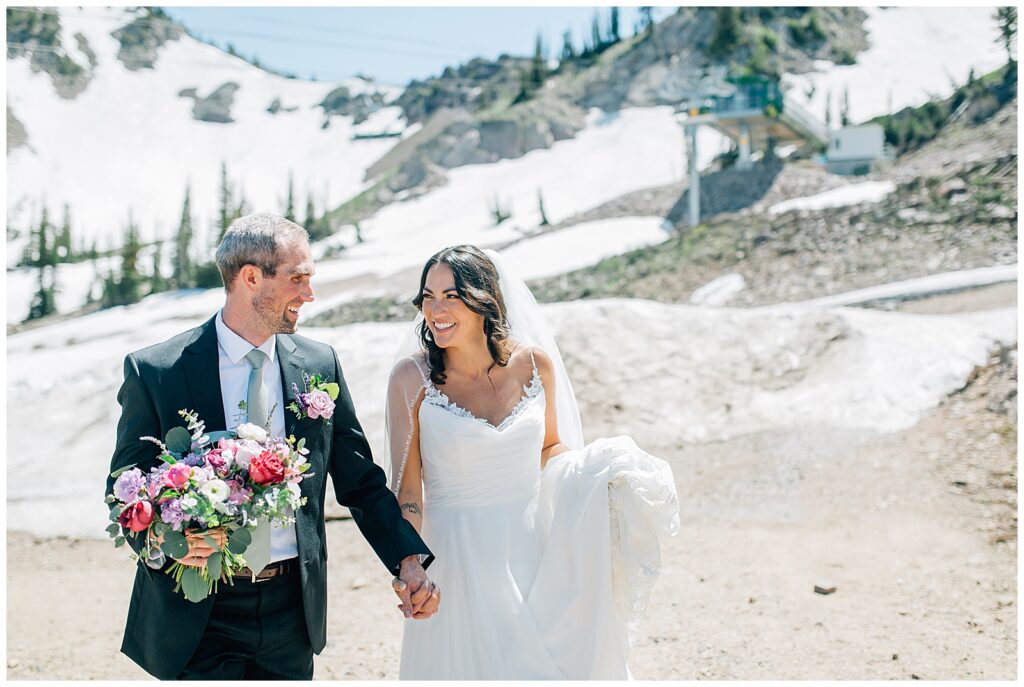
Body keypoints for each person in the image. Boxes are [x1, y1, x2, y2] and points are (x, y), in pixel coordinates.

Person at [105, 213, 440, 680]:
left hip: (292, 610)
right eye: (297, 278)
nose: (309, 293)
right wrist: (166, 541)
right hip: (197, 609)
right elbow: (124, 487)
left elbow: (360, 481)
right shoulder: (158, 371)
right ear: (250, 278)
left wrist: (408, 560)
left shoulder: (318, 363)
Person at [384, 244, 679, 679]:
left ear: (484, 299)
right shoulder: (411, 379)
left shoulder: (535, 365)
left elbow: (550, 449)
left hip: (532, 549)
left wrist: (596, 471)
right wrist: (410, 568)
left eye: (451, 296)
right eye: (428, 296)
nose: (435, 309)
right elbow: (408, 490)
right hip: (454, 560)